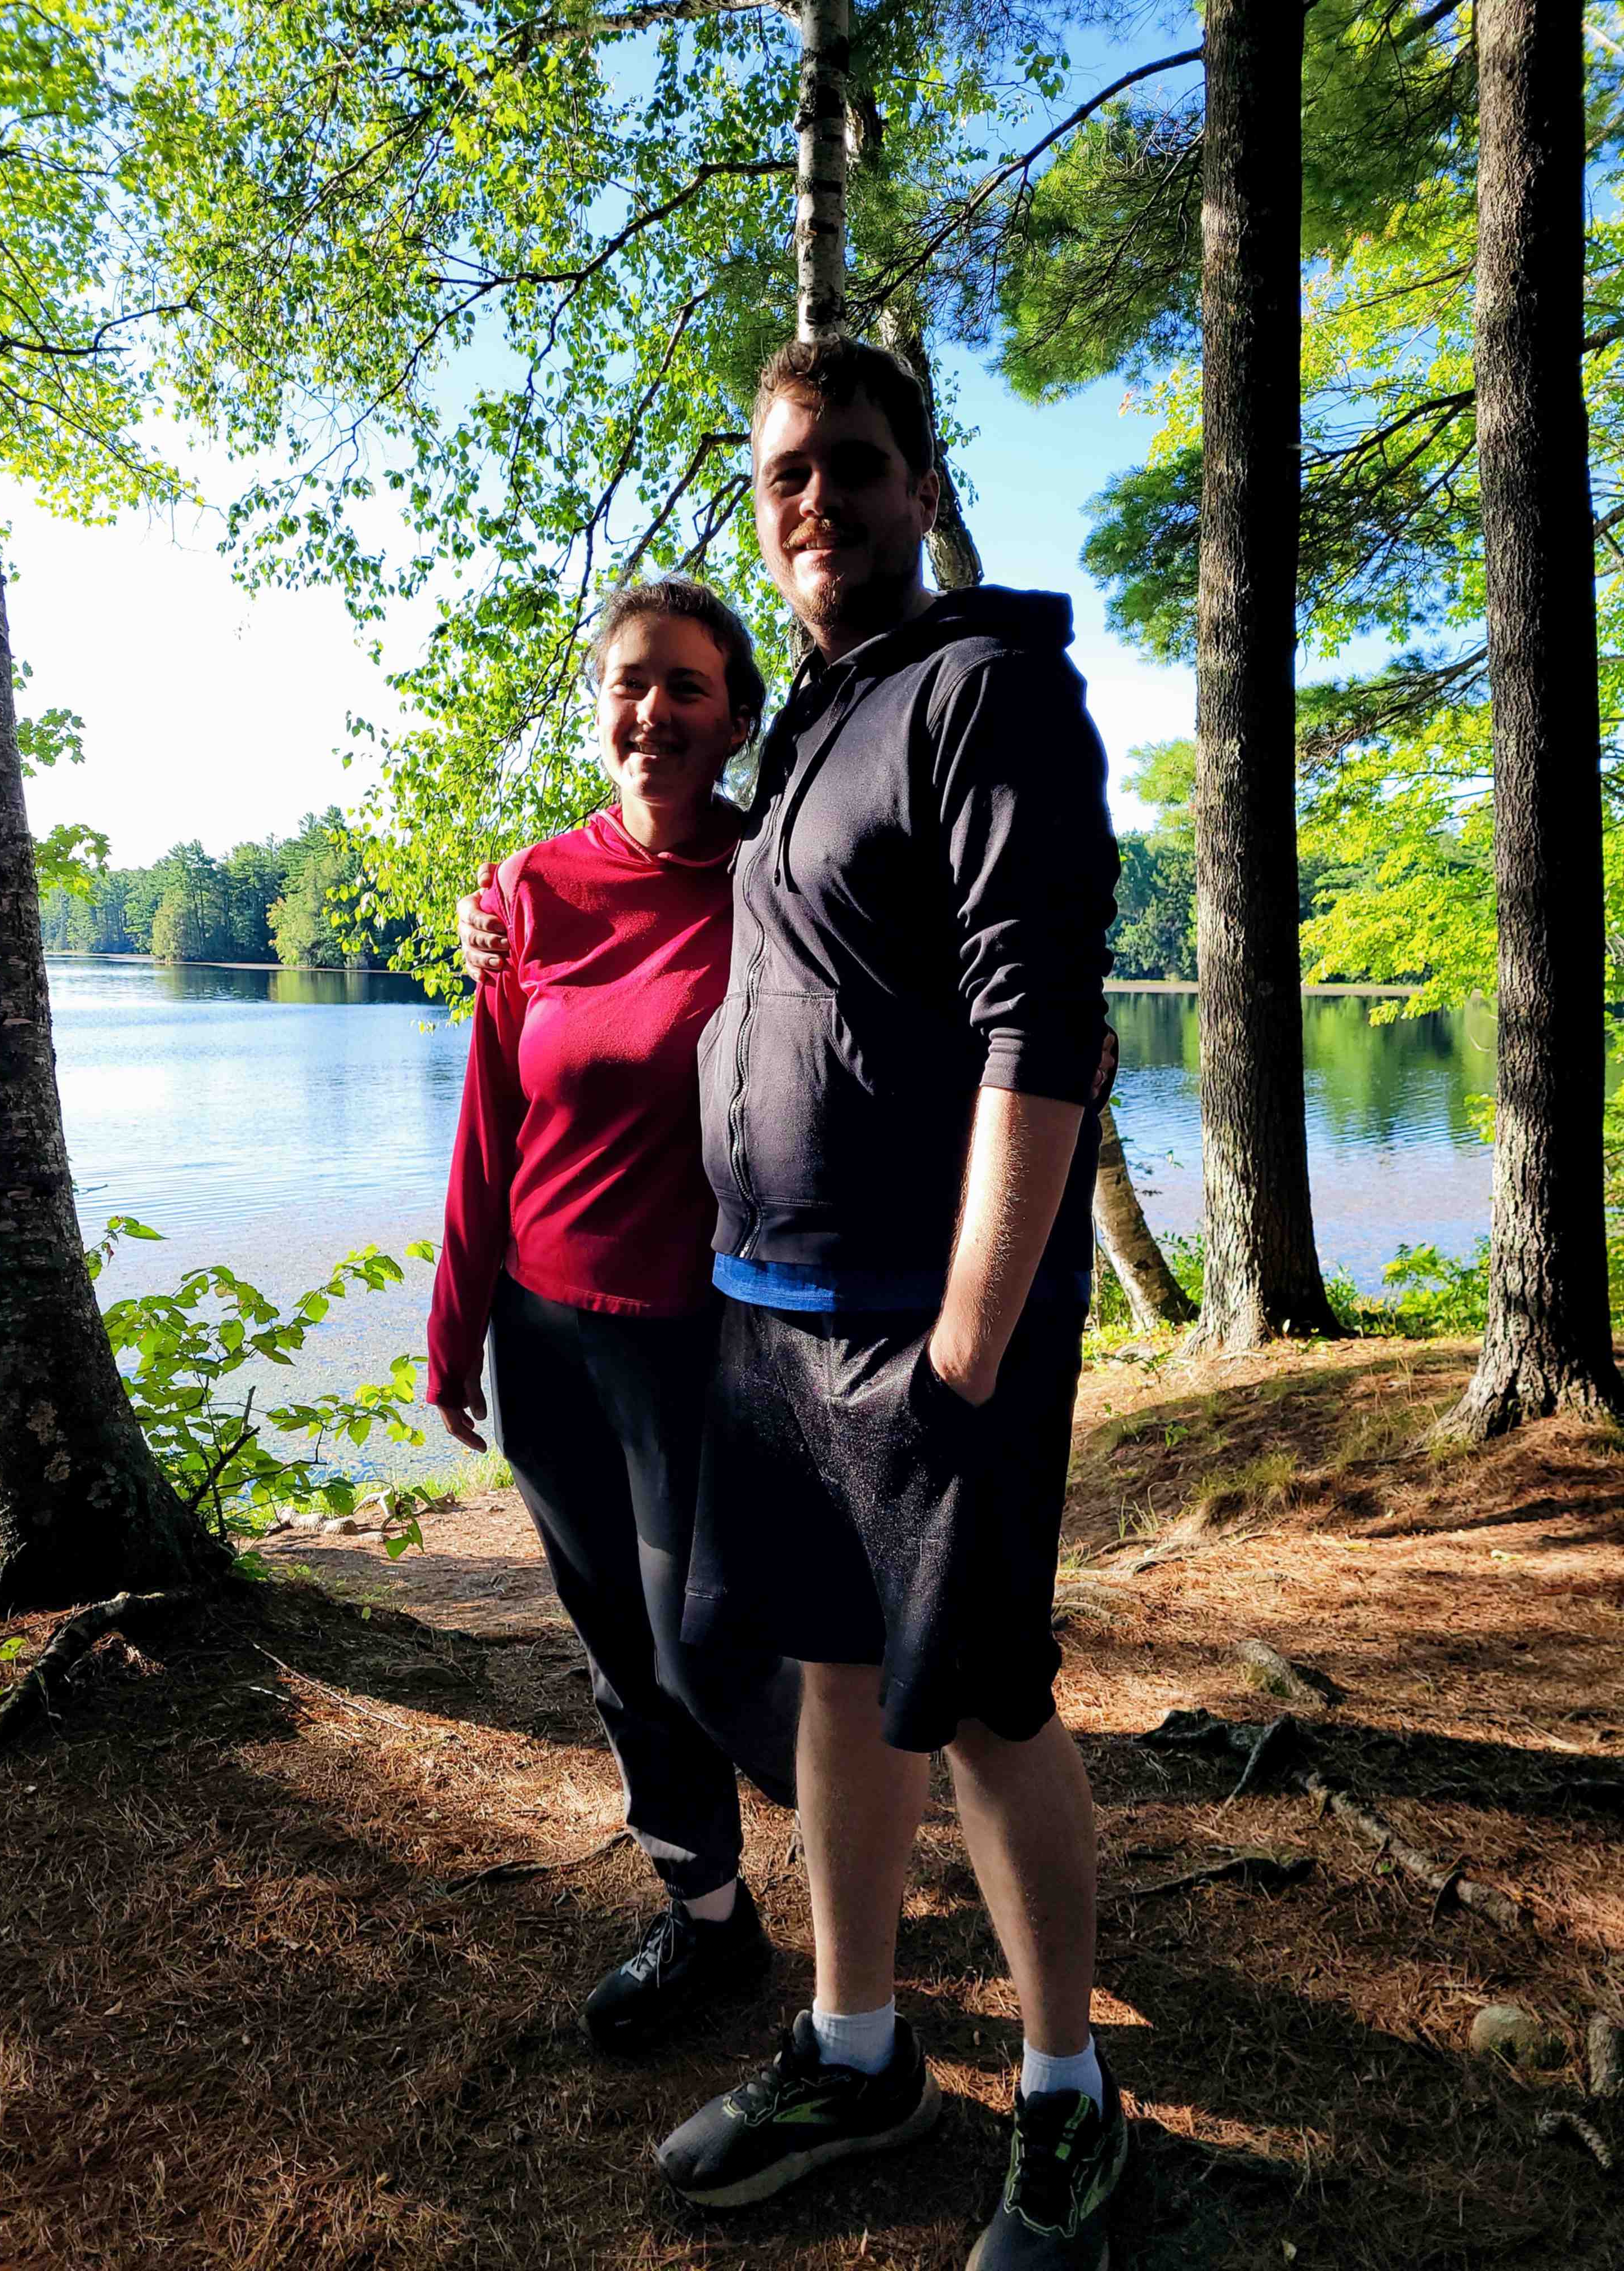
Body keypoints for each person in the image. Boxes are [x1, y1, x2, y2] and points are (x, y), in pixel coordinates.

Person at [461, 341, 1127, 2268]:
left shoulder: (986, 695)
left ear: (923, 487)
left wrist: (973, 1350)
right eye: (782, 478)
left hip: (933, 1324)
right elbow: (680, 903)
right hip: (770, 1312)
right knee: (837, 1679)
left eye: (849, 464)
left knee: (988, 1707)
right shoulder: (815, 732)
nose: (815, 501)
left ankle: (1071, 2101)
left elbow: (1045, 1028)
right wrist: (513, 910)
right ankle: (857, 2049)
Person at [428, 576, 799, 2054]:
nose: (653, 713)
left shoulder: (776, 882)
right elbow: (490, 1117)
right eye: (630, 684)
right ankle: (710, 1919)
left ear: (736, 718)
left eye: (687, 687)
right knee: (615, 1648)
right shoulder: (529, 889)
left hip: (703, 1336)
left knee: (711, 1644)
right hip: (548, 1331)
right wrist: (455, 1322)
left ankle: (848, 1832)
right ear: (603, 710)